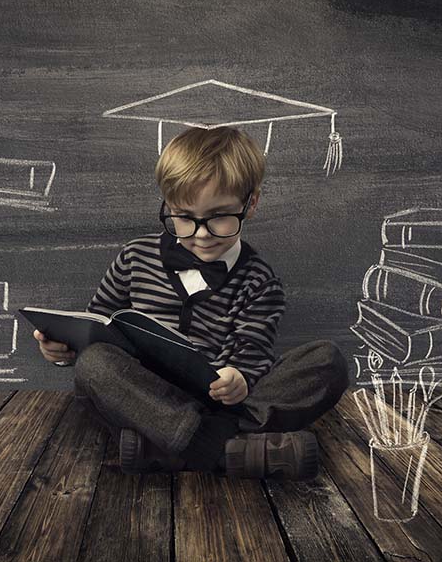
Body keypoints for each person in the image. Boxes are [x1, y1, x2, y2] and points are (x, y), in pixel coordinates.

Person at [34, 126, 349, 479]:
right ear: (168, 206)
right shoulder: (135, 256)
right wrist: (63, 348)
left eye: (218, 218)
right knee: (95, 365)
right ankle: (224, 449)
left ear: (251, 204)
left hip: (217, 400)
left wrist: (239, 378)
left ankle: (173, 450)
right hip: (144, 399)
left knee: (326, 361)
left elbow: (253, 351)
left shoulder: (259, 279)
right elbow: (95, 324)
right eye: (184, 218)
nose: (201, 234)